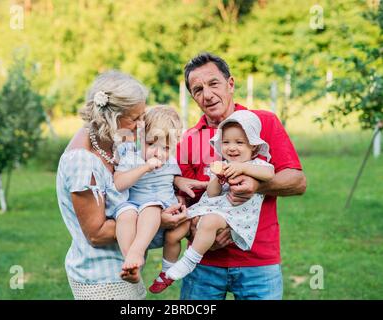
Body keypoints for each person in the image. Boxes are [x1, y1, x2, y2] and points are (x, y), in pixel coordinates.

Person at [174, 53, 307, 300]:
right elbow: (181, 200)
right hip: (203, 264)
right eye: (198, 89)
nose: (208, 94)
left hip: (258, 262)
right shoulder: (189, 140)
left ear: (230, 84)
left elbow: (297, 182)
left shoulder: (263, 122)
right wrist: (196, 230)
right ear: (193, 97)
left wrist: (256, 185)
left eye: (214, 83)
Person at [56, 70, 194, 300]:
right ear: (111, 117)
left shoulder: (114, 144)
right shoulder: (81, 160)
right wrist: (159, 220)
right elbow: (97, 233)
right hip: (102, 279)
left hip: (124, 271)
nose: (142, 124)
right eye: (135, 118)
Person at [149, 110, 275, 292]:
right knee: (174, 233)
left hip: (235, 215)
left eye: (239, 143)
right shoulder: (221, 164)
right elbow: (213, 194)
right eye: (226, 142)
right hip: (210, 208)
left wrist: (241, 167)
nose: (232, 148)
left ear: (253, 147)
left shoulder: (257, 165)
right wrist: (217, 178)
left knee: (209, 221)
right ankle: (167, 273)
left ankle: (189, 261)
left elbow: (270, 173)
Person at [113, 106, 183, 281]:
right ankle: (132, 263)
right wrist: (145, 167)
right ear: (140, 137)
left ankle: (136, 253)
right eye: (151, 144)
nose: (157, 152)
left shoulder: (171, 162)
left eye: (165, 148)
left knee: (152, 207)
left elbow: (175, 180)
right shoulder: (132, 158)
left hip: (158, 214)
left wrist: (185, 186)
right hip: (134, 208)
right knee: (125, 213)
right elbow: (119, 183)